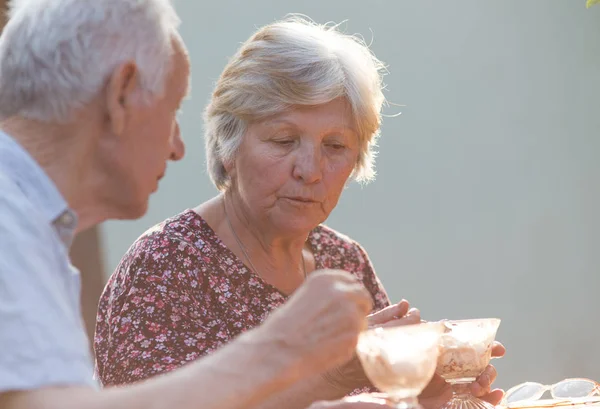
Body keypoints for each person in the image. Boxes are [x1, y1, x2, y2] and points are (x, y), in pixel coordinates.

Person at [94, 16, 505, 409]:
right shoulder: (165, 265)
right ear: (227, 144)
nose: (310, 171)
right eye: (284, 139)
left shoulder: (344, 262)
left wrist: (426, 394)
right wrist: (331, 377)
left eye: (335, 147)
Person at [0, 1, 387, 409]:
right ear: (121, 94)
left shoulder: (32, 227)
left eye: (336, 146)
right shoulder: (12, 229)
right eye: (172, 111)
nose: (177, 148)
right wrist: (292, 356)